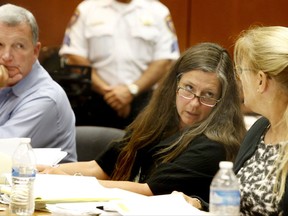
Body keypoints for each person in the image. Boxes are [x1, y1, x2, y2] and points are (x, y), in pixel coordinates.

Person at [38, 42, 246, 202]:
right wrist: (44, 170)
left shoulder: (214, 145)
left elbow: (148, 192)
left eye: (208, 95)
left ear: (222, 101)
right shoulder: (158, 122)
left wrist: (70, 181)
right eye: (188, 88)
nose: (193, 104)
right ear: (175, 84)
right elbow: (101, 167)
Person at [179, 26, 288, 215]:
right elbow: (240, 202)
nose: (239, 81)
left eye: (241, 72)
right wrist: (200, 205)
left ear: (261, 80)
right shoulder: (261, 128)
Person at [59, 0, 180, 129]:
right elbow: (74, 56)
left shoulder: (158, 11)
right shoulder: (87, 9)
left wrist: (131, 91)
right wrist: (109, 93)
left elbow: (164, 61)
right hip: (94, 102)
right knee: (92, 146)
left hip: (144, 103)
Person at [0, 4, 77, 162]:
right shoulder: (5, 81)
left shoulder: (46, 98)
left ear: (35, 52)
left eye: (19, 46)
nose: (6, 56)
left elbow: (3, 155)